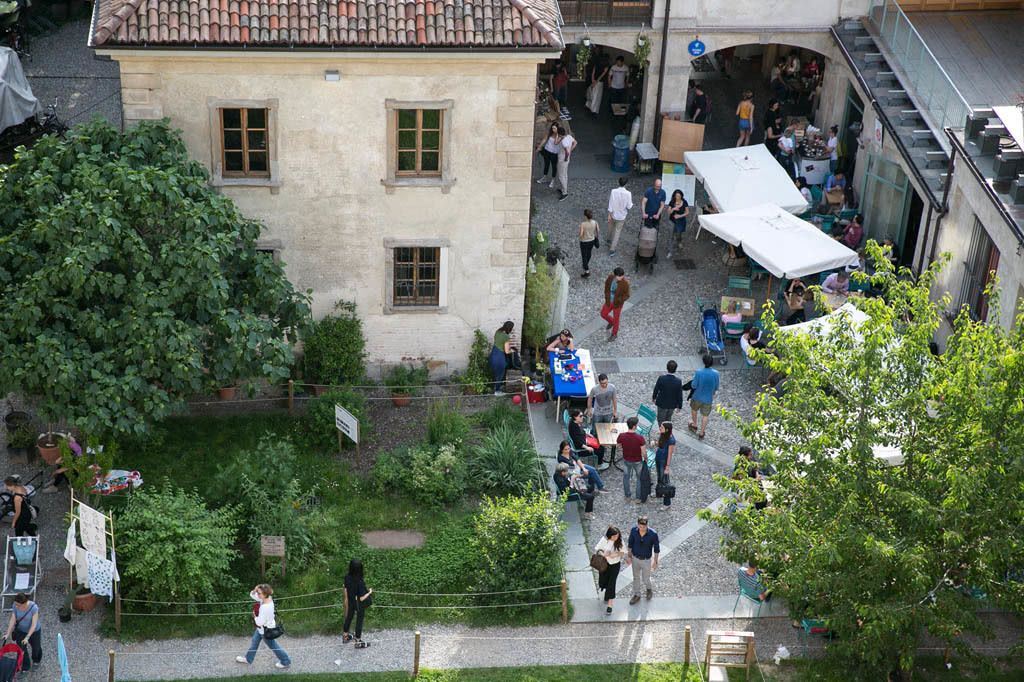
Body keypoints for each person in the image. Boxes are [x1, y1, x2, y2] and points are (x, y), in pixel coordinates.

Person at [237, 584, 291, 668]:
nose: (257, 595)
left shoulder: (265, 607)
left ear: (265, 594)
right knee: (254, 642)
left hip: (266, 630)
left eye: (259, 593)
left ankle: (285, 661)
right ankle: (248, 659)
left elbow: (259, 622)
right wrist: (255, 590)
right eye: (258, 593)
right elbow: (252, 595)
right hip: (262, 629)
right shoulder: (266, 599)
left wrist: (255, 616)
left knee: (273, 646)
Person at [626, 515, 659, 604]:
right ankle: (637, 595)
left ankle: (649, 589)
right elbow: (630, 543)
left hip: (646, 560)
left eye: (644, 527)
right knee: (636, 578)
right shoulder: (634, 531)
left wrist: (655, 561)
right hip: (635, 558)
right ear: (637, 525)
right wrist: (629, 556)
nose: (642, 528)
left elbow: (656, 549)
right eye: (640, 526)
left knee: (645, 578)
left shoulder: (653, 534)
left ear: (647, 525)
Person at [587, 373, 618, 466]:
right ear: (599, 382)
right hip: (598, 412)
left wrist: (615, 411)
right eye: (602, 383)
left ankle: (602, 445)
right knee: (595, 429)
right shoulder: (595, 389)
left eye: (605, 383)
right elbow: (590, 398)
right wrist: (589, 409)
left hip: (608, 412)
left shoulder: (612, 388)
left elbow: (614, 399)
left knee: (606, 429)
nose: (604, 385)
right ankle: (593, 446)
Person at [5, 593, 40, 672]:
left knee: (36, 647)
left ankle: (36, 660)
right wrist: (7, 633)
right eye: (15, 605)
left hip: (34, 632)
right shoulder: (15, 605)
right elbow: (13, 619)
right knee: (21, 649)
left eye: (18, 605)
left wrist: (27, 637)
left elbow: (34, 625)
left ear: (24, 603)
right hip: (21, 630)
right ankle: (25, 666)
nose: (16, 606)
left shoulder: (33, 608)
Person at [342, 559, 373, 648]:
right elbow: (362, 598)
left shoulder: (347, 577)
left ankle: (345, 636)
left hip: (351, 601)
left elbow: (345, 589)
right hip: (359, 604)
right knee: (359, 621)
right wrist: (369, 592)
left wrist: (346, 600)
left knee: (349, 617)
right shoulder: (360, 582)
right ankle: (358, 641)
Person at [688, 354, 720, 440]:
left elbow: (694, 385)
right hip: (708, 398)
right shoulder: (716, 374)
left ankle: (694, 425)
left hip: (697, 396)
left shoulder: (699, 372)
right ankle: (702, 432)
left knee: (694, 410)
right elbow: (716, 387)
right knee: (705, 415)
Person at [594, 526, 625, 614]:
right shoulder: (604, 540)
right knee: (603, 581)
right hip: (604, 564)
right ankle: (606, 593)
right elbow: (597, 549)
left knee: (612, 583)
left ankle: (610, 605)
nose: (616, 538)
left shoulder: (620, 541)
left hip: (615, 565)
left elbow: (623, 552)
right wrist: (604, 554)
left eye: (617, 536)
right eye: (614, 536)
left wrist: (615, 554)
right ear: (610, 535)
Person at [616, 416, 646, 502]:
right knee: (639, 479)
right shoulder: (640, 438)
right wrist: (646, 459)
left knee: (626, 477)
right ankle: (638, 498)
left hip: (626, 460)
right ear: (634, 426)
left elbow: (618, 446)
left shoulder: (621, 436)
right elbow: (643, 452)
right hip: (637, 461)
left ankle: (627, 496)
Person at [606, 177, 633, 256]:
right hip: (621, 216)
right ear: (626, 184)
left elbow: (610, 203)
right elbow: (629, 206)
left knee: (610, 228)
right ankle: (612, 249)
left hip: (613, 214)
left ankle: (608, 239)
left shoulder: (613, 191)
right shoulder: (628, 193)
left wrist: (609, 214)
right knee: (617, 232)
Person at [601, 267, 630, 341]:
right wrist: (606, 294)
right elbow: (607, 286)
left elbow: (627, 295)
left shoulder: (625, 283)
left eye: (622, 276)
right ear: (615, 275)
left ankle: (614, 334)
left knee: (616, 319)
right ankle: (611, 322)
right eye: (619, 276)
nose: (621, 277)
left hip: (617, 304)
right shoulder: (610, 278)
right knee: (603, 314)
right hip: (609, 301)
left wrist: (619, 300)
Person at [651, 360, 683, 427]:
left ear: (667, 368)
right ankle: (666, 432)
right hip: (671, 405)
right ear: (675, 369)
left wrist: (654, 398)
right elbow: (679, 395)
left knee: (660, 420)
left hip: (662, 404)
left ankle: (662, 433)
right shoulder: (678, 381)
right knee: (668, 419)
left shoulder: (661, 378)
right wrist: (679, 406)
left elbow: (656, 389)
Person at [653, 422, 675, 512]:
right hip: (658, 459)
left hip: (663, 461)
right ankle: (659, 492)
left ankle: (667, 503)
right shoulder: (663, 434)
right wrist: (655, 443)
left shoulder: (671, 440)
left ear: (667, 429)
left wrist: (667, 467)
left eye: (661, 427)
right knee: (659, 478)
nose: (660, 428)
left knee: (665, 482)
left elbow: (670, 454)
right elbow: (661, 444)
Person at [489, 321, 514, 395]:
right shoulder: (506, 336)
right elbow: (506, 351)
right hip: (499, 357)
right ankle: (497, 391)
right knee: (500, 373)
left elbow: (498, 343)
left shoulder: (497, 332)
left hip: (493, 353)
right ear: (510, 328)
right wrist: (512, 350)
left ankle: (495, 387)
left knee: (496, 372)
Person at [554, 125, 576, 202]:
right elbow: (575, 143)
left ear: (559, 134)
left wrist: (566, 156)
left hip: (562, 159)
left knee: (561, 176)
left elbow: (566, 151)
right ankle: (564, 189)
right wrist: (570, 151)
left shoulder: (563, 141)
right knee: (565, 174)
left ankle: (565, 192)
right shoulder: (569, 137)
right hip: (566, 159)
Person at [667, 189, 689, 259]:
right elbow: (668, 212)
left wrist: (680, 216)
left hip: (681, 221)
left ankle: (679, 241)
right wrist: (673, 209)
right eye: (676, 196)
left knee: (678, 234)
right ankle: (670, 251)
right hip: (672, 221)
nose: (678, 197)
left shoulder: (684, 202)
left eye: (679, 196)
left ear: (681, 196)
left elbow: (687, 212)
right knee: (671, 236)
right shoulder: (672, 202)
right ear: (674, 196)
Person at [578, 208, 600, 277]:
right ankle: (586, 263)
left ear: (585, 216)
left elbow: (581, 234)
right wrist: (596, 237)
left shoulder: (583, 224)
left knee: (584, 255)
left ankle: (587, 270)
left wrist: (580, 237)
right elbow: (598, 231)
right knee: (589, 252)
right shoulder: (595, 222)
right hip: (592, 240)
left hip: (584, 242)